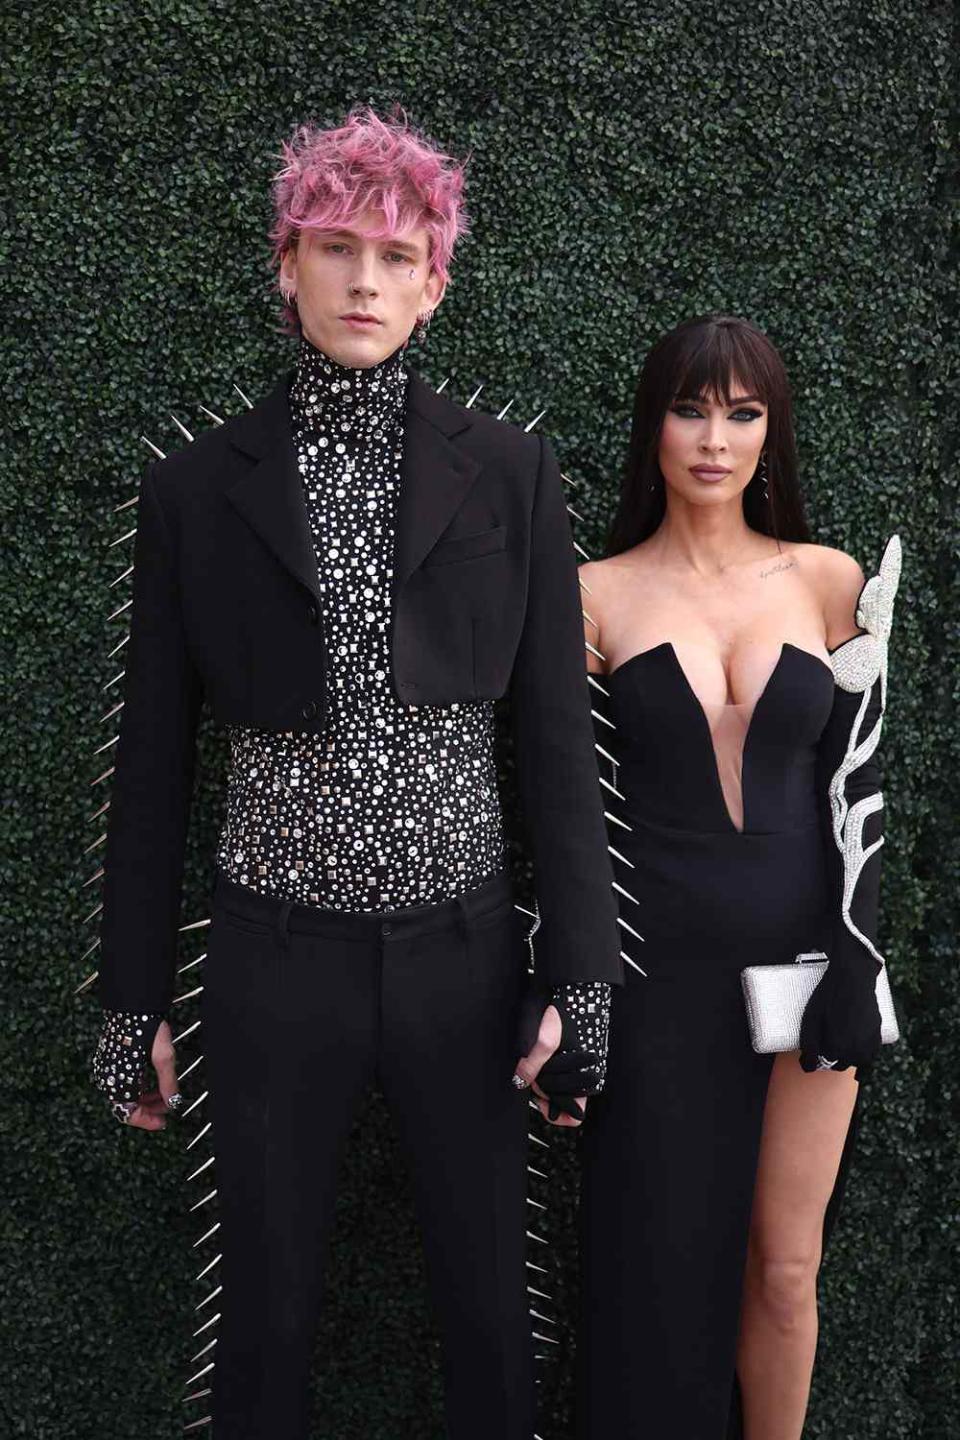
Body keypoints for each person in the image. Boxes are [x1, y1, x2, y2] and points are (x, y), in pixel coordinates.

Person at [88, 106, 621, 1439]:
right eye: (336, 250)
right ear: (286, 265)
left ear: (436, 280)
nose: (364, 282)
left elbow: (556, 737)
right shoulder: (196, 488)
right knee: (261, 1318)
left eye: (395, 257)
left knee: (495, 1311)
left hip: (466, 953)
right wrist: (130, 998)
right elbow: (152, 765)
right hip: (270, 958)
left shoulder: (511, 473)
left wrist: (584, 981)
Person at [574, 313, 901, 1440]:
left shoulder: (830, 580)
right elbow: (563, 817)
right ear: (652, 424)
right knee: (657, 1276)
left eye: (743, 412)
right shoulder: (592, 593)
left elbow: (862, 791)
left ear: (773, 431)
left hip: (813, 970)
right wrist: (566, 986)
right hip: (654, 972)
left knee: (785, 1271)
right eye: (690, 408)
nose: (715, 438)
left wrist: (861, 962)